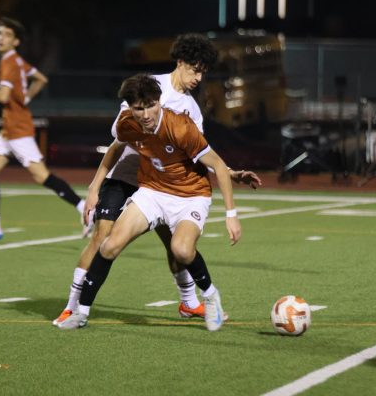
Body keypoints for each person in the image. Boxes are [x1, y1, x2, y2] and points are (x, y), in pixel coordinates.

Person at [52, 33, 261, 326]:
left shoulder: (190, 112)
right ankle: (73, 307)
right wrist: (94, 186)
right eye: (194, 69)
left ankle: (190, 302)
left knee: (176, 246)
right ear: (180, 62)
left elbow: (203, 156)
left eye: (203, 72)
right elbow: (120, 140)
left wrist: (230, 173)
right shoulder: (149, 88)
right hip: (129, 175)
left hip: (163, 181)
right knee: (104, 239)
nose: (198, 77)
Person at [0, 17, 85, 242]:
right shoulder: (18, 61)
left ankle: (83, 208)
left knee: (42, 176)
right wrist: (27, 97)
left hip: (18, 129)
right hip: (8, 129)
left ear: (16, 41)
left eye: (7, 35)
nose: (0, 38)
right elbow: (41, 78)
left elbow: (2, 96)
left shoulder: (9, 63)